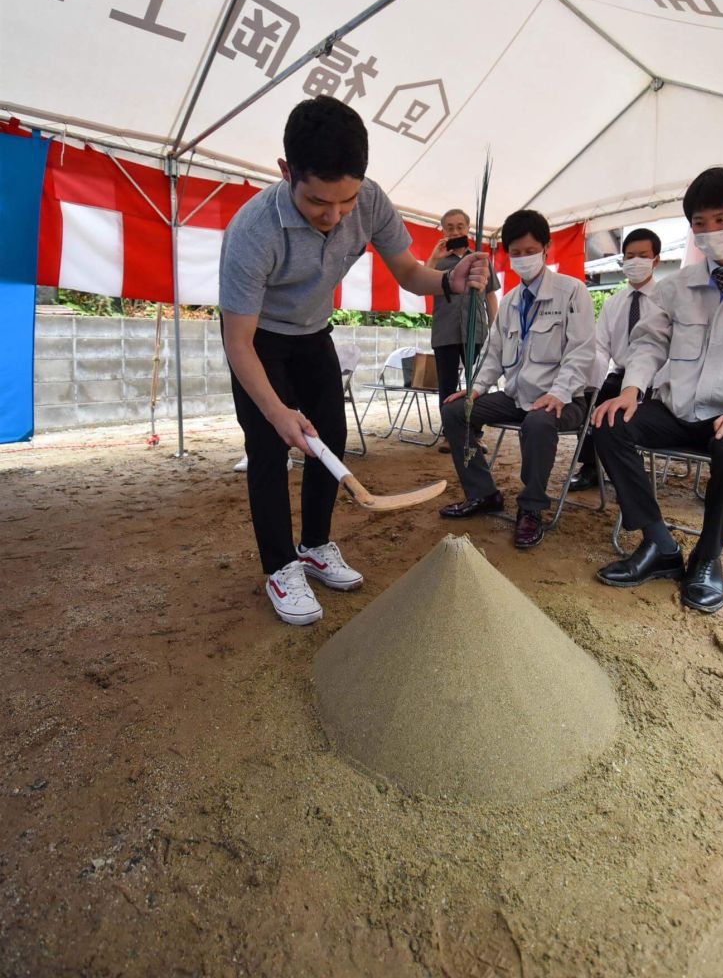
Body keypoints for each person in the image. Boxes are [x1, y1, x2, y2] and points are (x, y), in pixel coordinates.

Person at [219, 95, 488, 626]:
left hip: (315, 333)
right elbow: (237, 341)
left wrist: (447, 282)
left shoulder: (369, 201)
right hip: (260, 342)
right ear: (286, 172)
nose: (335, 215)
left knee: (330, 442)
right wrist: (277, 413)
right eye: (320, 202)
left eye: (346, 201)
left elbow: (411, 273)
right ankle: (280, 567)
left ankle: (316, 546)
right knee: (271, 452)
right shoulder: (252, 232)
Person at [592, 166, 723, 614]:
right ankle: (658, 543)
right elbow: (650, 342)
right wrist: (631, 390)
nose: (709, 232)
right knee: (610, 423)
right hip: (678, 408)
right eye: (699, 223)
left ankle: (707, 558)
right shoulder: (679, 284)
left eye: (721, 219)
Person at [438, 208, 595, 549]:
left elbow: (582, 351)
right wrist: (475, 389)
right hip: (517, 395)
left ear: (546, 248)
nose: (523, 258)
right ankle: (483, 494)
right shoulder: (510, 301)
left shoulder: (572, 291)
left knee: (538, 423)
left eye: (530, 251)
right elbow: (493, 353)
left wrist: (559, 392)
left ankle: (531, 508)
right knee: (454, 411)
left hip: (563, 399)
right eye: (516, 253)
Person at [569, 227, 662, 492]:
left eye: (642, 255)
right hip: (620, 376)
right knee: (593, 401)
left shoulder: (668, 299)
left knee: (634, 415)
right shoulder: (614, 303)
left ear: (655, 260)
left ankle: (631, 463)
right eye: (629, 256)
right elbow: (600, 347)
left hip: (657, 378)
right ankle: (590, 466)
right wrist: (590, 382)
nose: (635, 262)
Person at [427, 207, 499, 451]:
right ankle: (451, 436)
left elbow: (490, 296)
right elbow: (423, 285)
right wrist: (435, 259)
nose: (455, 230)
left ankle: (475, 435)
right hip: (445, 331)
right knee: (447, 385)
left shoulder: (481, 259)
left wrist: (494, 328)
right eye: (450, 227)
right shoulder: (438, 262)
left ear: (468, 229)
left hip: (476, 331)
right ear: (443, 230)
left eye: (460, 226)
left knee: (475, 384)